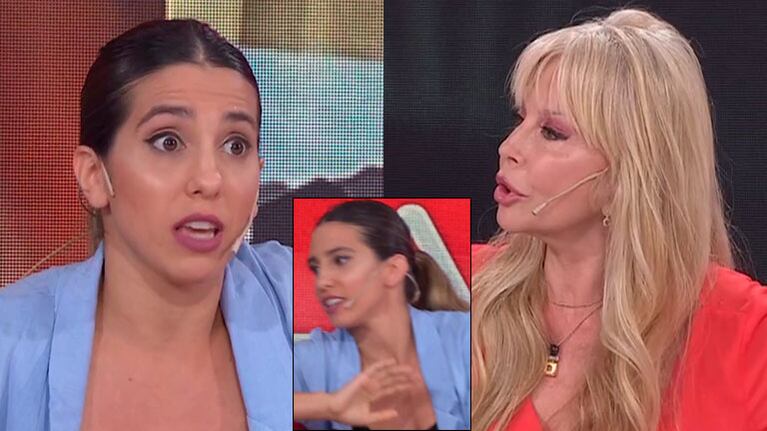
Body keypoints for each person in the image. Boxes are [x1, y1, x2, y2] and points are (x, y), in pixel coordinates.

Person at [471, 8, 767, 431]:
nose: (509, 148)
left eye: (552, 132)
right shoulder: (449, 286)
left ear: (629, 174)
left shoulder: (747, 335)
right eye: (521, 119)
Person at [0, 20, 292, 431]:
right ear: (95, 176)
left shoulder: (305, 299)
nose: (210, 180)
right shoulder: (11, 339)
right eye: (168, 141)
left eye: (235, 145)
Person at [294, 200, 470, 430]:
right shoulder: (316, 359)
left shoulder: (466, 337)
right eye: (316, 268)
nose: (322, 282)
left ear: (393, 269)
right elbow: (253, 397)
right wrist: (329, 406)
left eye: (341, 260)